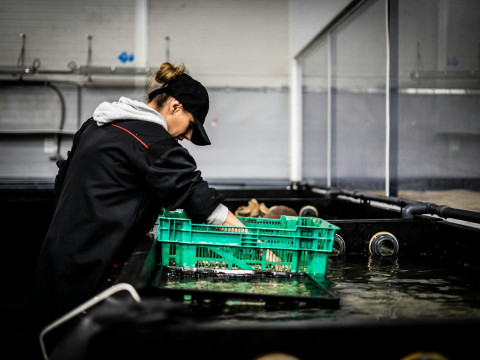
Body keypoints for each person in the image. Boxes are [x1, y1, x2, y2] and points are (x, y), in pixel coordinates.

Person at [29, 62, 245, 342]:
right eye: (192, 125)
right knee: (74, 342)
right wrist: (254, 244)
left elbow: (66, 181)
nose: (189, 137)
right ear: (175, 107)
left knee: (48, 336)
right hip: (93, 266)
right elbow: (200, 201)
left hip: (57, 255)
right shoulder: (152, 142)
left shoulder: (96, 125)